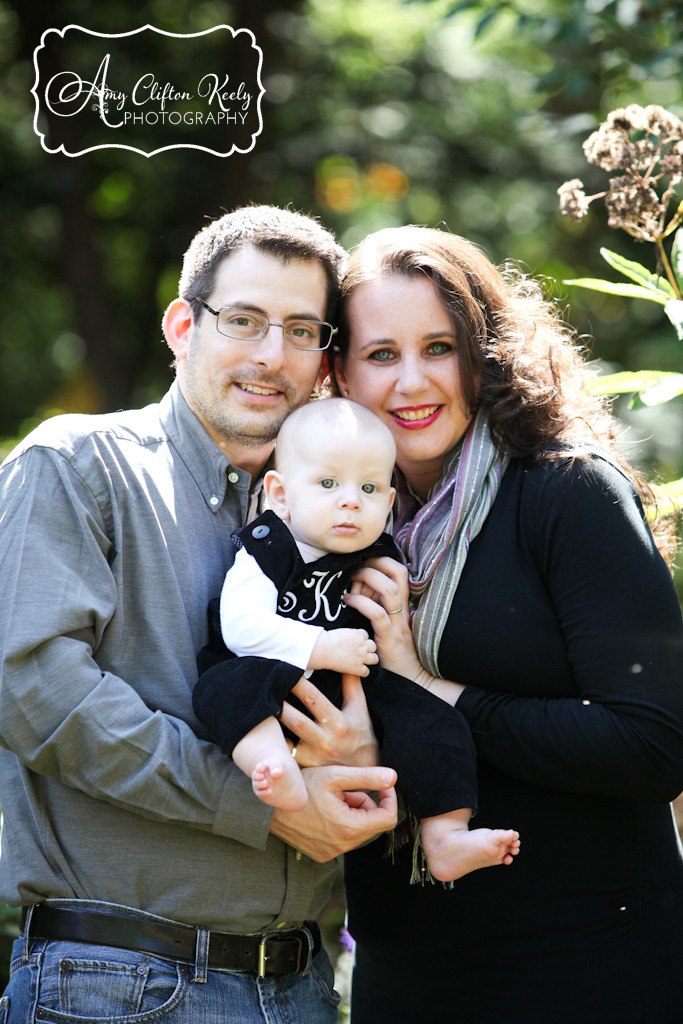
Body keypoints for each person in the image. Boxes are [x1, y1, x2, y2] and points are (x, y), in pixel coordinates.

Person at [0, 205, 399, 1024]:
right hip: (117, 984)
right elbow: (37, 693)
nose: (269, 356)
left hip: (299, 985)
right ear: (183, 325)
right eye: (243, 320)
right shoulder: (78, 466)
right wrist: (264, 800)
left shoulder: (340, 515)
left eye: (300, 330)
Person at [325, 226, 683, 1023]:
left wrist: (432, 691)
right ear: (339, 370)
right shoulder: (336, 526)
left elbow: (655, 745)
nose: (411, 381)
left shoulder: (565, 494)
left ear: (483, 354)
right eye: (380, 354)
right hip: (405, 974)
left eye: (439, 347)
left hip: (582, 972)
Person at [191, 397, 520, 880]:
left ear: (388, 503)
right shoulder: (268, 548)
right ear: (280, 494)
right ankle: (272, 767)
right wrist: (319, 649)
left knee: (434, 720)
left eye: (369, 488)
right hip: (270, 676)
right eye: (327, 483)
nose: (350, 500)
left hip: (355, 688)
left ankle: (445, 837)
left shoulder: (378, 556)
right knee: (223, 688)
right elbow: (240, 627)